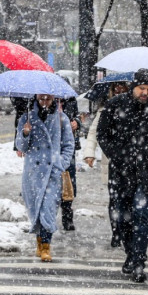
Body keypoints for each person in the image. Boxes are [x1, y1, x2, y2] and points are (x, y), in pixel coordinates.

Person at [97, 68, 148, 283]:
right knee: (120, 217)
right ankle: (130, 252)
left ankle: (139, 261)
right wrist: (117, 154)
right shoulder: (115, 105)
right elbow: (103, 134)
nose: (145, 93)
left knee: (141, 215)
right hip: (120, 172)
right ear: (134, 87)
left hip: (145, 173)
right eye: (142, 88)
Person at [15, 93, 75, 262]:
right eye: (41, 99)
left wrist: (60, 163)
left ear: (54, 99)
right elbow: (21, 146)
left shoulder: (61, 119)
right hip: (33, 172)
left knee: (47, 207)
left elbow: (68, 145)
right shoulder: (27, 118)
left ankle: (46, 246)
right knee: (35, 207)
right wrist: (25, 133)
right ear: (36, 99)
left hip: (52, 172)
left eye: (48, 99)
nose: (44, 102)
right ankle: (39, 242)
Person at [82, 80, 130, 248]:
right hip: (111, 162)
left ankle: (127, 230)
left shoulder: (135, 108)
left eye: (122, 86)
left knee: (129, 200)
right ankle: (117, 231)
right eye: (115, 87)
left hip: (132, 163)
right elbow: (94, 133)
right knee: (115, 199)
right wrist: (89, 153)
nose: (118, 90)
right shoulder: (105, 110)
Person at [59, 94, 83, 231]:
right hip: (51, 147)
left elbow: (77, 116)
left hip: (68, 147)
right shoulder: (43, 102)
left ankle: (67, 216)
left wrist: (77, 122)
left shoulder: (70, 101)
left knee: (68, 182)